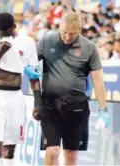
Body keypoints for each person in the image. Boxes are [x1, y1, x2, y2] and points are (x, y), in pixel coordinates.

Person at [33, 12, 111, 165]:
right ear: (59, 27)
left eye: (72, 34)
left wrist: (103, 109)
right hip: (50, 104)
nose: (67, 37)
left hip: (77, 106)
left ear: (80, 31)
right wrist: (37, 101)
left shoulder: (89, 47)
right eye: (64, 32)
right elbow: (29, 64)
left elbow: (98, 80)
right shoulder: (46, 41)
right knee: (52, 151)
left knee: (71, 155)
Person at [0, 13, 40, 166]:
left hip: (16, 96)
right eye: (0, 32)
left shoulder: (27, 42)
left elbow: (33, 75)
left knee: (9, 147)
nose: (3, 34)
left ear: (14, 27)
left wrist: (38, 102)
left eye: (7, 31)